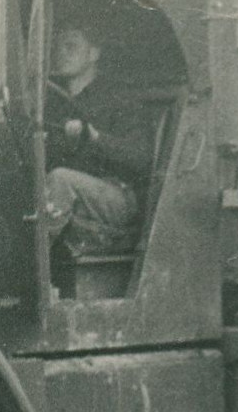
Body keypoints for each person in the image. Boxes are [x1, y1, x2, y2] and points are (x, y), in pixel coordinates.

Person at [44, 26, 160, 255]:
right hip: (75, 195)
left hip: (118, 195)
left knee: (60, 179)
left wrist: (95, 138)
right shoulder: (52, 103)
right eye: (57, 47)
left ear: (94, 53)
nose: (62, 53)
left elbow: (140, 158)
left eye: (71, 45)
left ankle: (29, 270)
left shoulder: (118, 99)